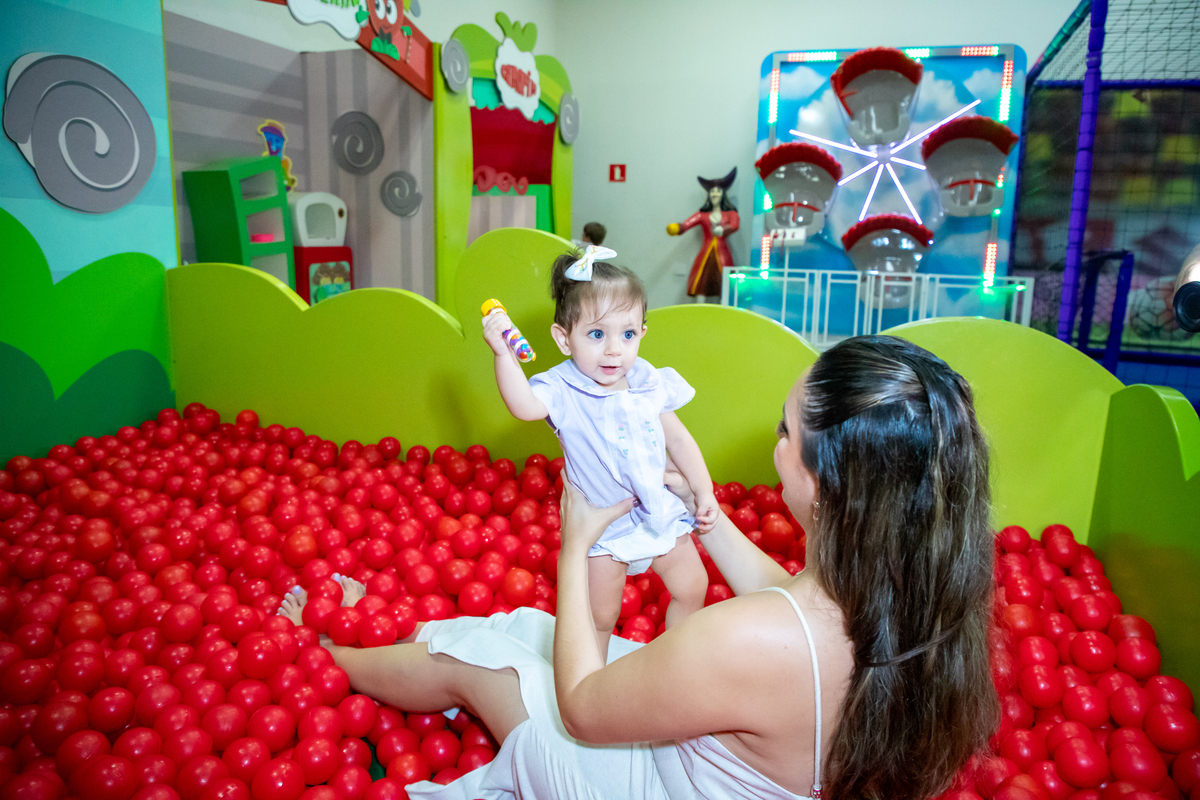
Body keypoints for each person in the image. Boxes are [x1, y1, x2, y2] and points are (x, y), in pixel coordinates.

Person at [278, 335, 999, 800]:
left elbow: (583, 710)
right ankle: (386, 643)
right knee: (521, 624)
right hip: (736, 765)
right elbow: (789, 600)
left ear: (827, 486)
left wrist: (575, 546)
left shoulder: (746, 639)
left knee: (483, 660)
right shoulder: (919, 594)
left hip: (652, 781)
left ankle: (329, 652)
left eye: (787, 431)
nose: (775, 443)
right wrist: (697, 508)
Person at [482, 246, 718, 656]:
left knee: (693, 586)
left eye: (627, 335)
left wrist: (704, 490)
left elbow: (679, 440)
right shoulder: (563, 388)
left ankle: (676, 661)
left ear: (642, 333)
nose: (614, 350)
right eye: (596, 334)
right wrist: (504, 355)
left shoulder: (645, 382)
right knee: (601, 616)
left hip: (656, 508)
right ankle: (594, 679)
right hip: (602, 526)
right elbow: (524, 406)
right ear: (564, 339)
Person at [666, 168, 740, 298]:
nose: (715, 194)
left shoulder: (730, 213)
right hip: (706, 252)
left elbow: (734, 225)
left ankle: (722, 307)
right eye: (712, 192)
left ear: (723, 194)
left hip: (723, 253)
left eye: (718, 191)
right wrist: (678, 228)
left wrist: (724, 229)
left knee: (724, 285)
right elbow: (687, 224)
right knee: (701, 282)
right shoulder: (703, 215)